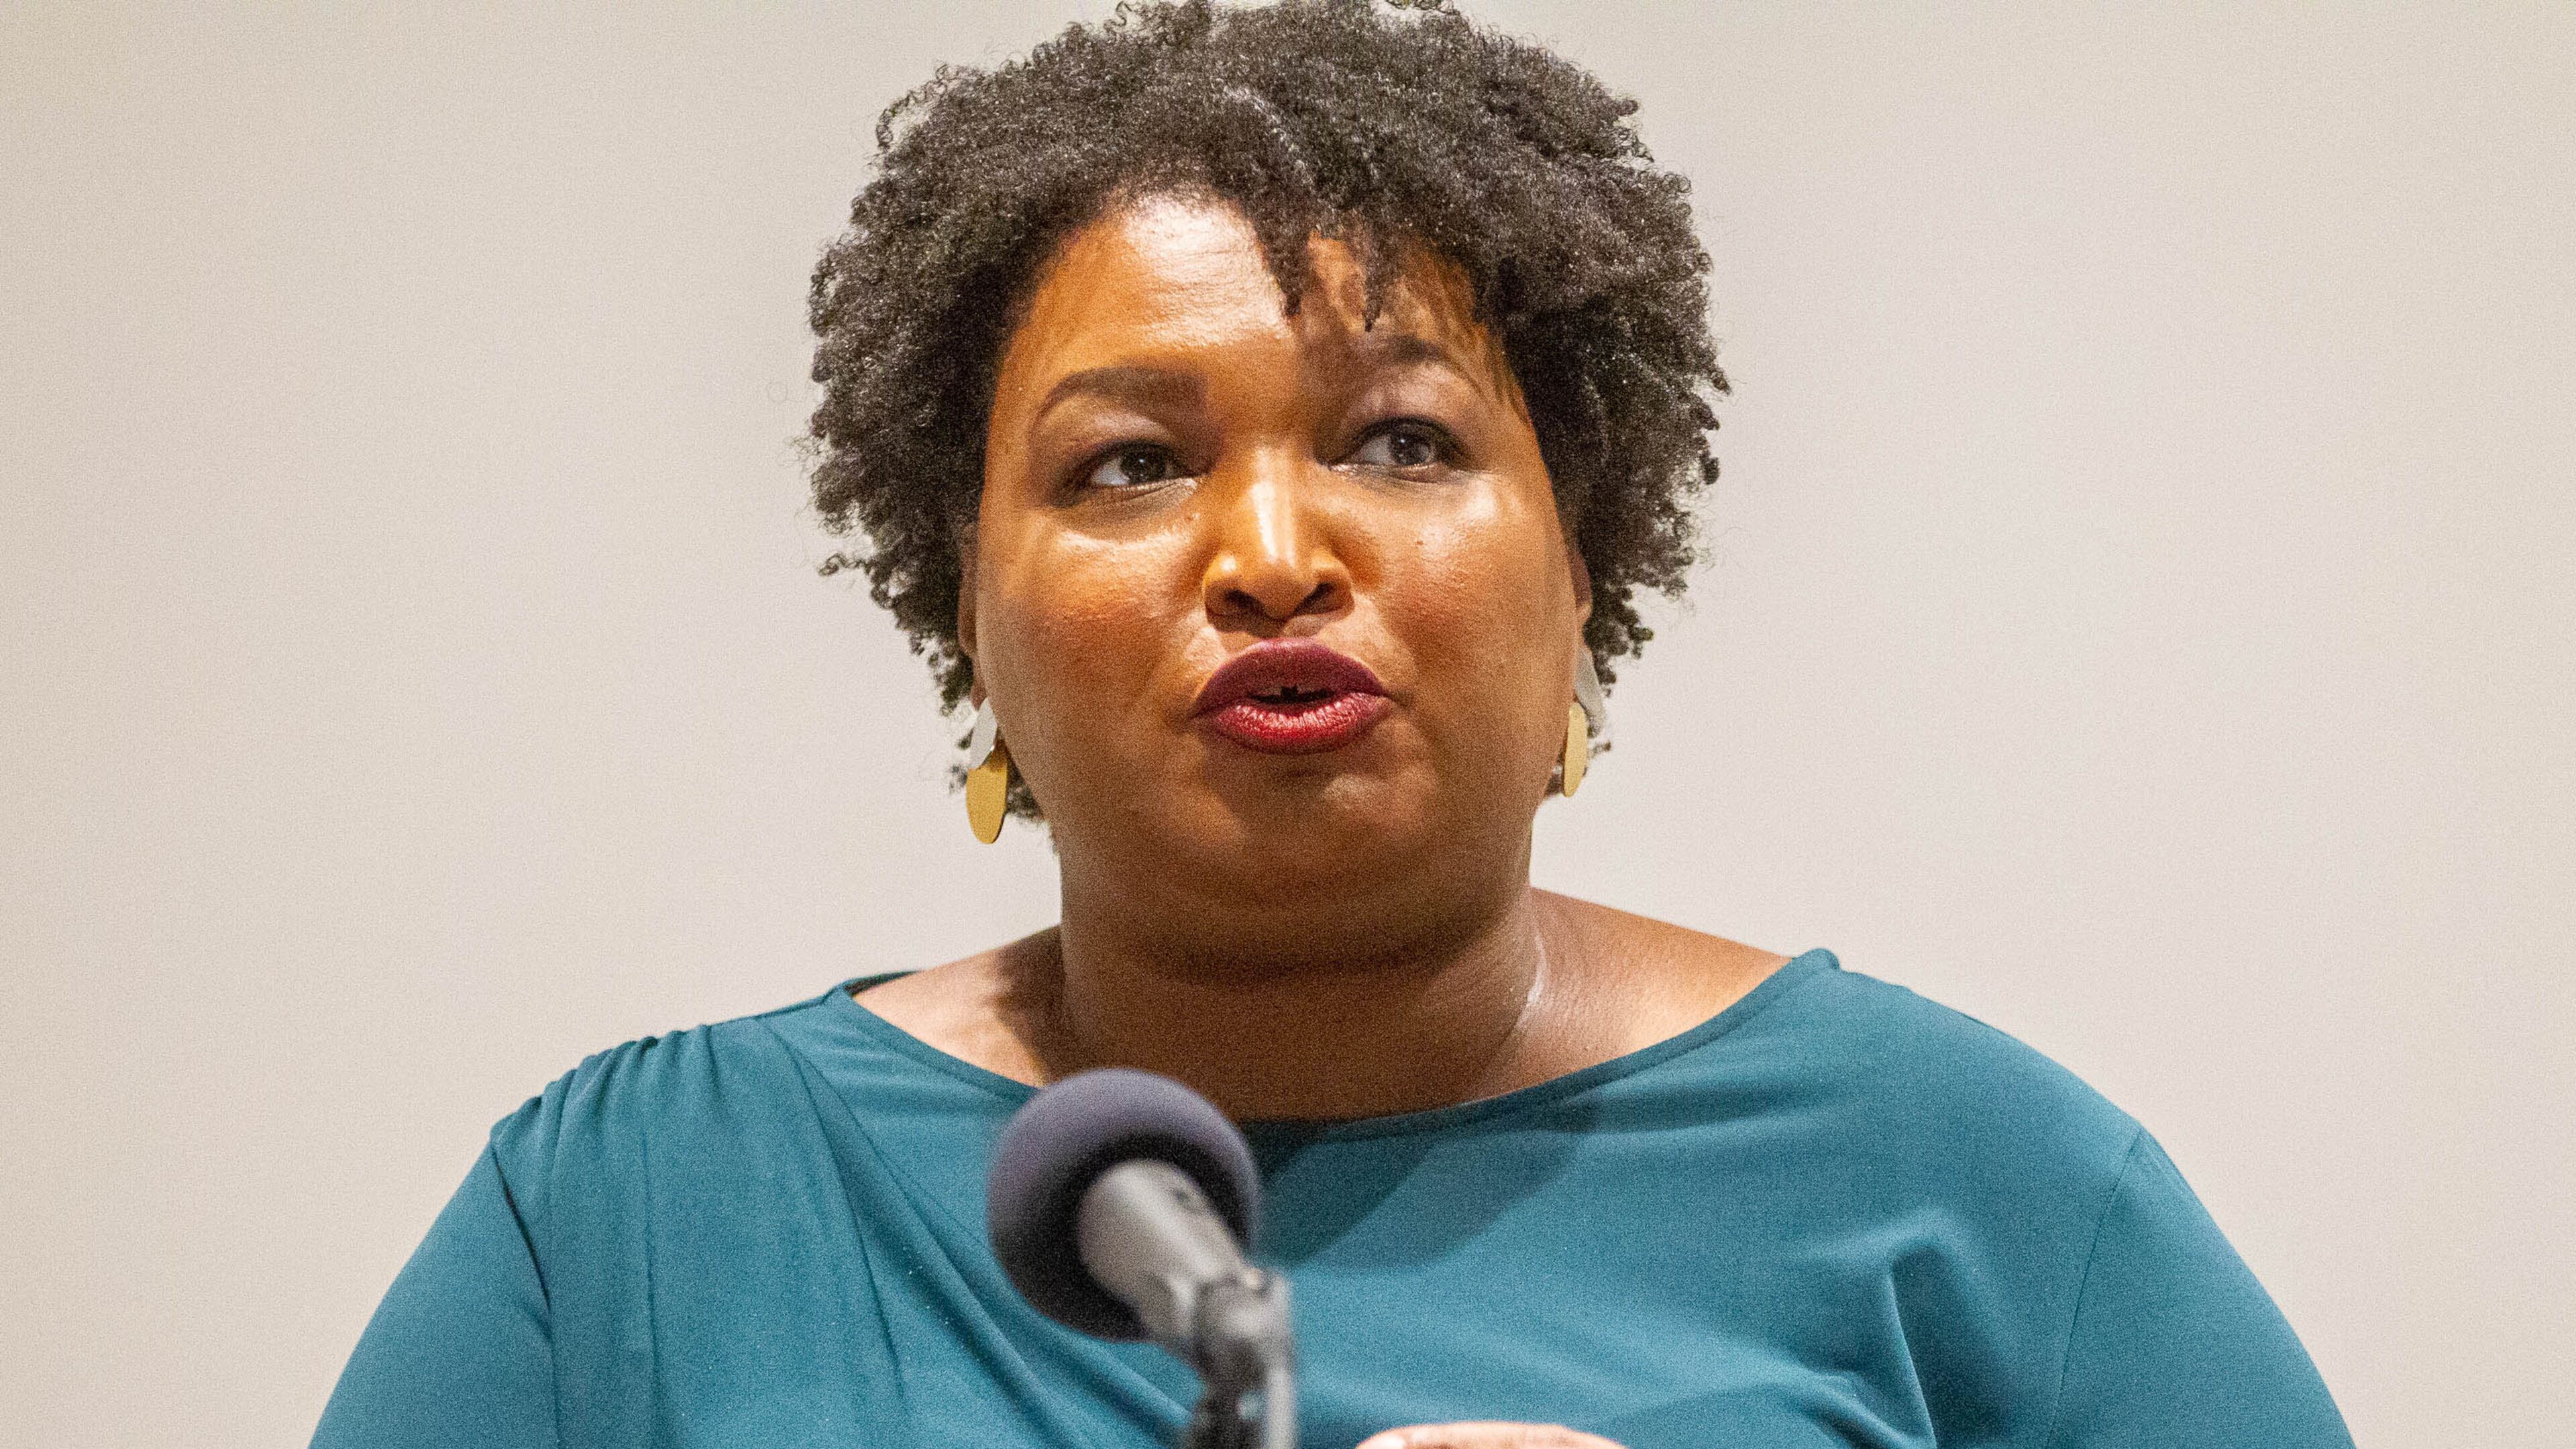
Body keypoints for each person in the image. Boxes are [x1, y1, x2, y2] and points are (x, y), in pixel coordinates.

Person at [311, 3, 2355, 1446]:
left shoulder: (1985, 1192)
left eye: (1402, 438)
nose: (1272, 550)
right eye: (1124, 466)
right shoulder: (640, 1216)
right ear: (972, 623)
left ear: (1581, 581)